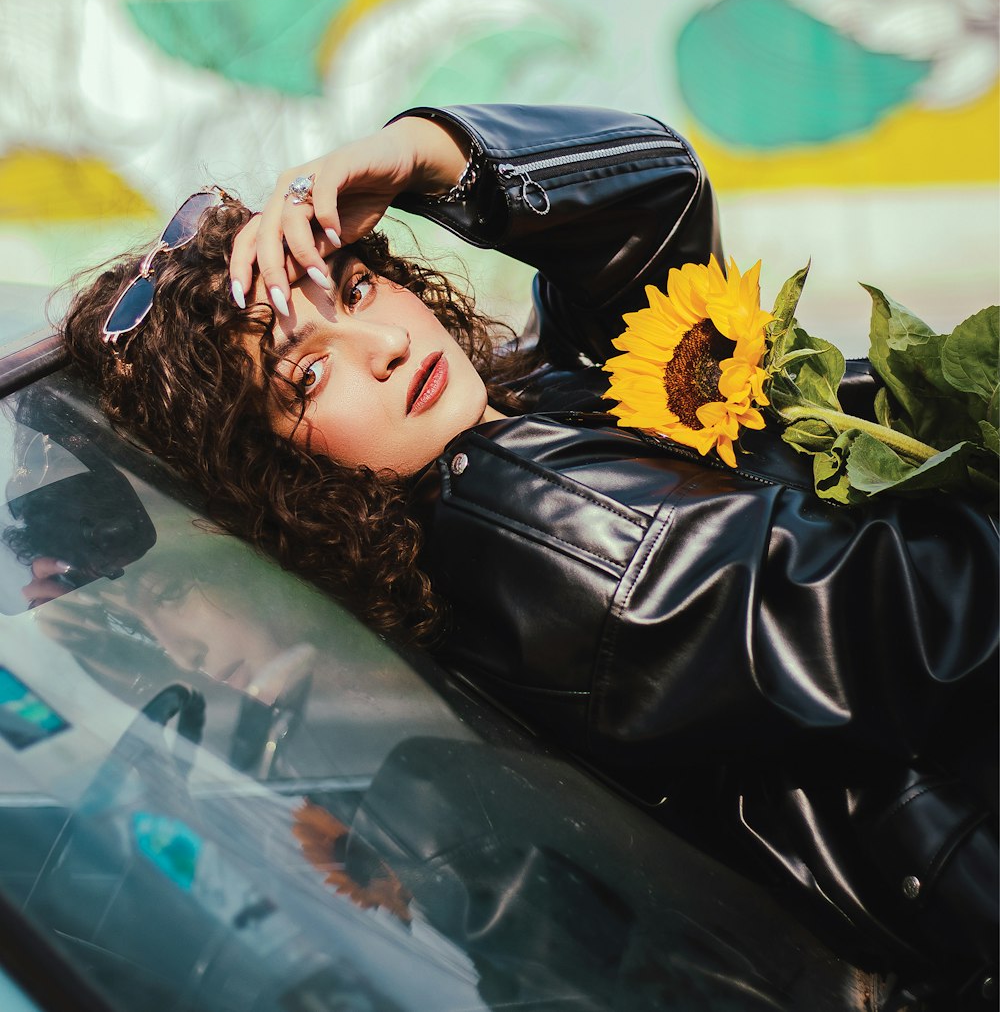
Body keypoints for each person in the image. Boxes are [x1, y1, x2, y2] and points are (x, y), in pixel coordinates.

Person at [61, 104, 997, 1009]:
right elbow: (927, 612)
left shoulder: (519, 409)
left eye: (351, 288)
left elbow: (659, 206)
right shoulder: (527, 533)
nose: (384, 344)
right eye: (305, 373)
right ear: (274, 474)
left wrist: (423, 153)